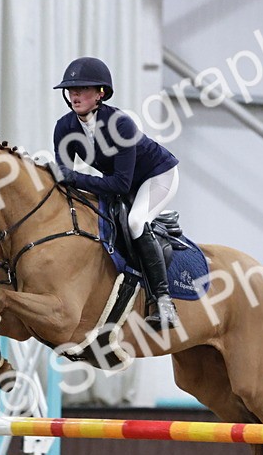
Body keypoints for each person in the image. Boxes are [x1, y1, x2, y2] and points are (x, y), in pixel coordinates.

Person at [52, 56, 181, 329]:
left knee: (136, 221)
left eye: (83, 89)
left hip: (157, 175)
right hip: (122, 182)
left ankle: (164, 301)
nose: (75, 95)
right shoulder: (65, 128)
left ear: (100, 93)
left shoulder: (120, 124)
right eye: (71, 90)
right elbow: (65, 181)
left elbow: (119, 184)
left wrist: (75, 178)